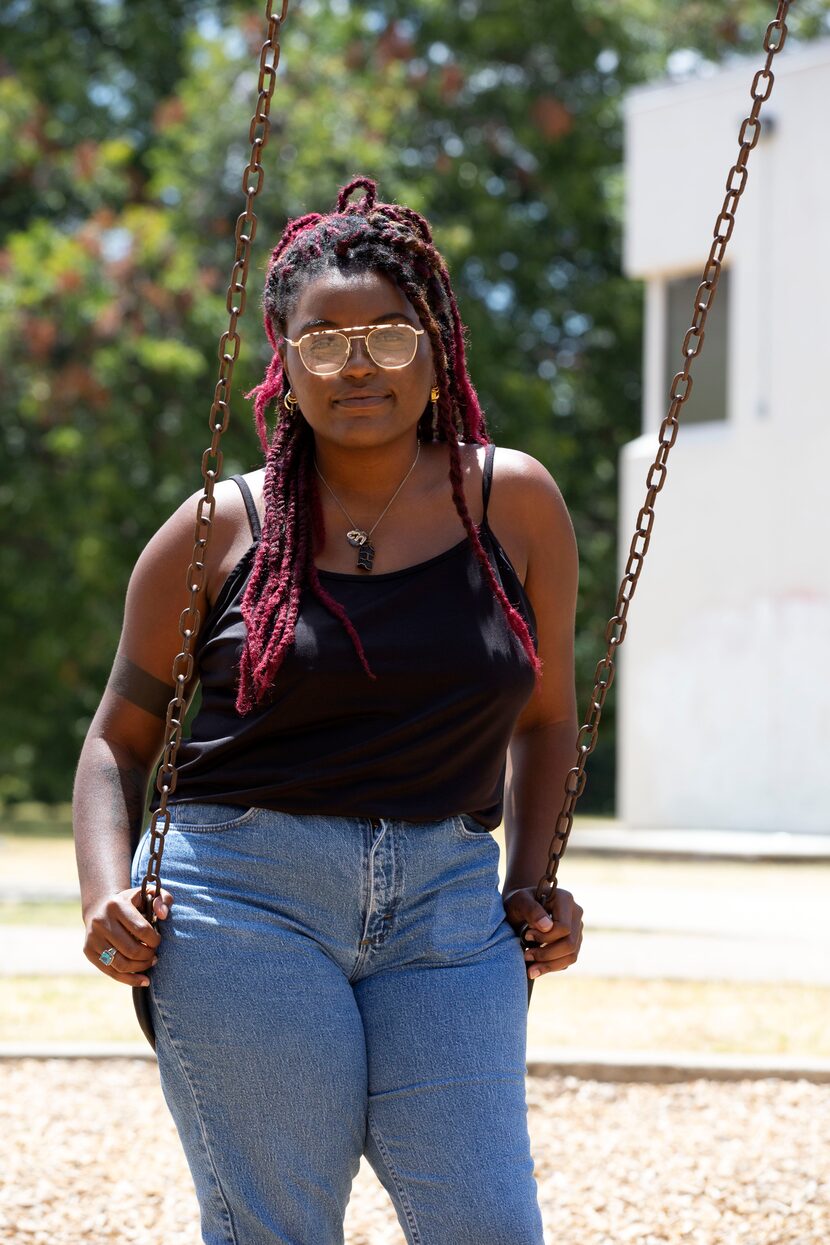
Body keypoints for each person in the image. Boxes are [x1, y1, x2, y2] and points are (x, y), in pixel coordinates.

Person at [73, 175, 584, 1245]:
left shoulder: (516, 502)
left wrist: (532, 877)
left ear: (436, 350)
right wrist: (103, 892)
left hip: (448, 908)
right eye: (322, 340)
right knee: (278, 1228)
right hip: (241, 902)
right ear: (284, 364)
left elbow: (543, 717)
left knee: (486, 1222)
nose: (356, 364)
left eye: (389, 336)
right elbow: (118, 738)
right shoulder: (217, 528)